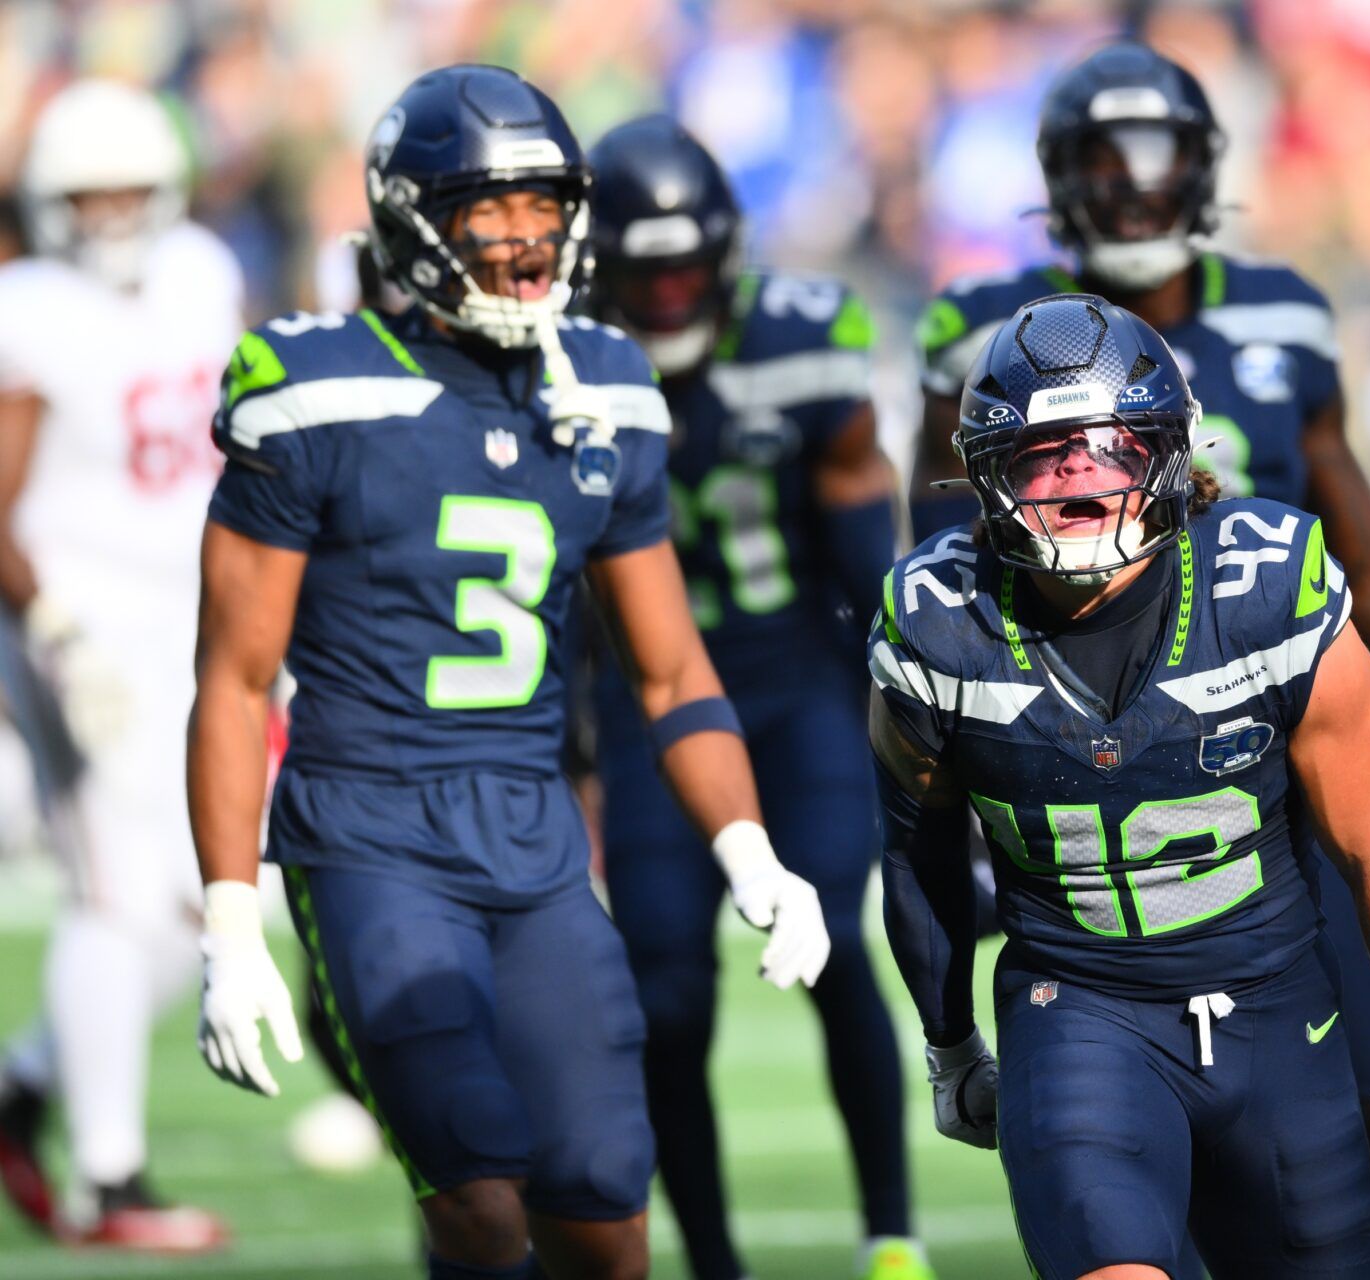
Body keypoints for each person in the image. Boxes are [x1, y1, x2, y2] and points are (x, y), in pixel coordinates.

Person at [185, 66, 830, 1280]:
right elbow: (233, 676)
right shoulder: (312, 385)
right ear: (414, 219)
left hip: (534, 837)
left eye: (545, 204)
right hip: (370, 828)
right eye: (490, 209)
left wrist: (750, 849)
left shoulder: (608, 388)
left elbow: (671, 666)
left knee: (602, 1214)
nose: (527, 238)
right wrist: (231, 925)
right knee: (479, 1199)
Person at [912, 42, 1370, 1184]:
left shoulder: (1283, 318)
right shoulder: (982, 329)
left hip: (1269, 768)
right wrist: (958, 810)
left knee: (1364, 1116)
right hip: (1081, 781)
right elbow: (939, 585)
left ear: (1206, 168)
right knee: (1124, 1149)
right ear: (1057, 175)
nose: (1129, 185)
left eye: (1155, 156)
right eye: (1101, 159)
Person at [874, 293, 1370, 1280]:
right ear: (987, 473)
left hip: (1280, 1015)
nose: (1075, 471)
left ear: (1164, 453)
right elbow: (918, 849)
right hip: (1079, 1010)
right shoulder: (940, 621)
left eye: (1105, 443)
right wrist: (950, 1045)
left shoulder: (1267, 590)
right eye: (1042, 450)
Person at [582, 116, 928, 1280]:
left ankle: (892, 1232)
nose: (669, 293)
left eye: (687, 269)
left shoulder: (804, 336)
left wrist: (911, 704)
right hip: (647, 705)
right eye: (645, 273)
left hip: (793, 684)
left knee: (832, 937)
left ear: (726, 256)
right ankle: (715, 1261)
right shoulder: (569, 357)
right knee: (665, 990)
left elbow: (860, 554)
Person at [0, 78, 239, 1251]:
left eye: (128, 190)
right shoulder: (27, 308)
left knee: (196, 900)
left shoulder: (203, 272)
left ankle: (22, 1086)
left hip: (194, 621)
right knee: (112, 887)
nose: (109, 214)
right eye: (85, 194)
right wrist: (51, 628)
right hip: (75, 623)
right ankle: (108, 1177)